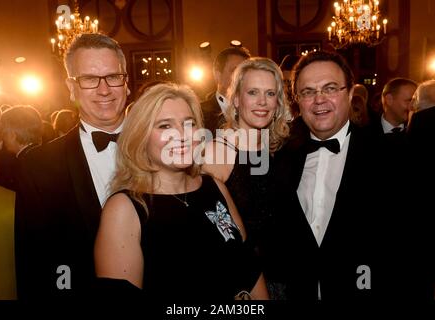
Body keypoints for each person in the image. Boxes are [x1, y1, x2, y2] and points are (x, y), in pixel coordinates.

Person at [269, 50, 432, 301]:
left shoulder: (393, 157)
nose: (319, 100)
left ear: (350, 94)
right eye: (308, 92)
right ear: (297, 101)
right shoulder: (280, 158)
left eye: (330, 88)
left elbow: (414, 252)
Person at [94, 83, 268, 301]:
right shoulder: (125, 209)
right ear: (141, 136)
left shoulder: (215, 188)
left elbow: (248, 267)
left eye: (190, 123)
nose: (182, 135)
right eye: (165, 126)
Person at [14, 33, 130, 299]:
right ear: (71, 87)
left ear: (126, 82)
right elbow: (34, 263)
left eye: (113, 76)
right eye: (89, 79)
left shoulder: (164, 149)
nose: (104, 90)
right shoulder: (37, 166)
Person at [202, 57, 290, 299]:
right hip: (247, 282)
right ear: (237, 100)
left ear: (278, 102)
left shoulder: (276, 146)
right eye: (253, 92)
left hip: (285, 276)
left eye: (270, 93)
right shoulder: (221, 150)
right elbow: (206, 228)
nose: (262, 102)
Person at [201, 47, 251, 136]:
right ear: (218, 75)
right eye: (234, 71)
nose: (241, 77)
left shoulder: (258, 110)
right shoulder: (199, 113)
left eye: (245, 72)